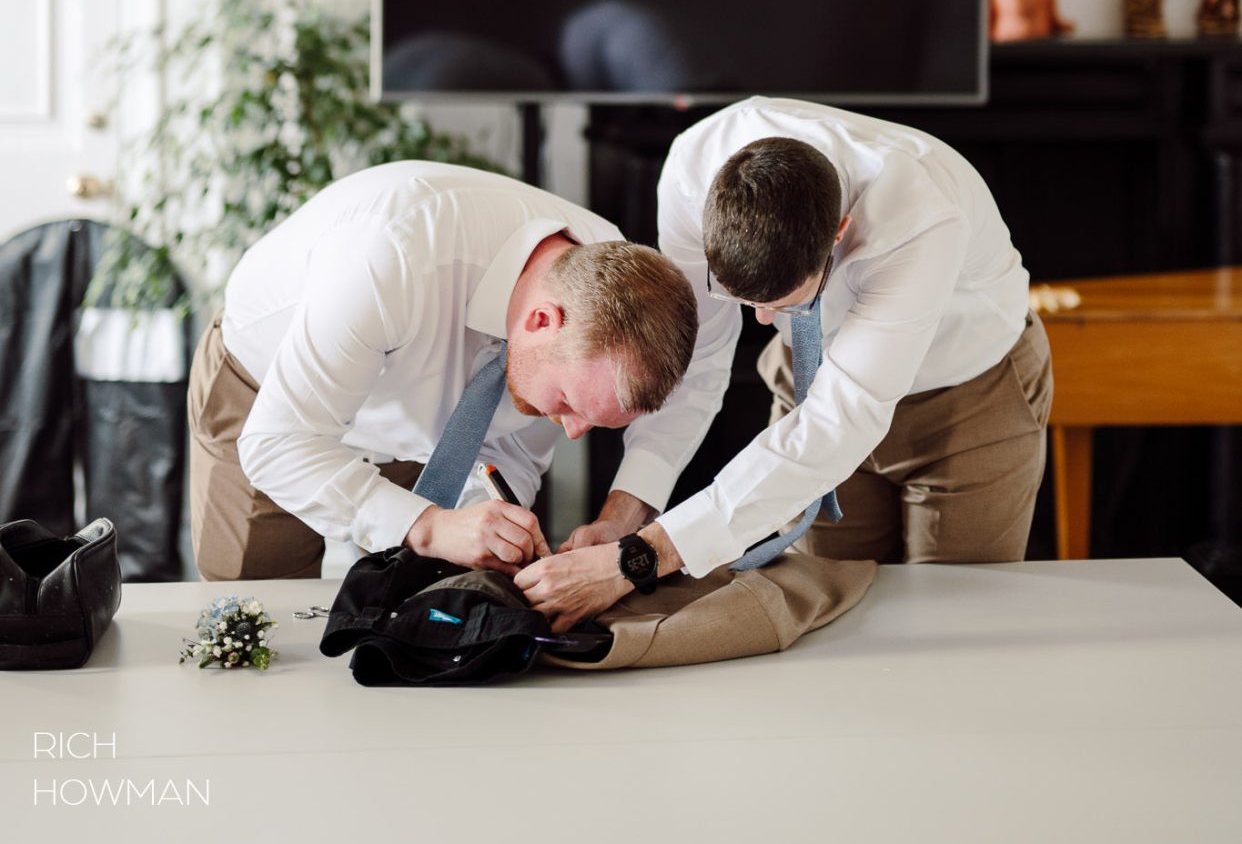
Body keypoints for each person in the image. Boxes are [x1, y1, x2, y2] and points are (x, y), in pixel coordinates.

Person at [517, 97, 1051, 632]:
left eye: (788, 304)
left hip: (967, 398)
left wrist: (637, 561)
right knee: (828, 619)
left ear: (839, 234)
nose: (766, 322)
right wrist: (622, 520)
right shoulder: (691, 170)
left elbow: (841, 421)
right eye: (743, 300)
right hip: (811, 387)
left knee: (952, 627)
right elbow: (696, 362)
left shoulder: (920, 214)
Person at [188, 161, 697, 582]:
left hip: (426, 429)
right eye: (566, 404)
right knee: (254, 620)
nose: (570, 429)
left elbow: (510, 450)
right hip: (270, 397)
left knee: (415, 625)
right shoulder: (389, 256)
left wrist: (499, 523)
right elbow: (277, 444)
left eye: (589, 420)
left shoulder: (600, 302)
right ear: (541, 320)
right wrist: (429, 527)